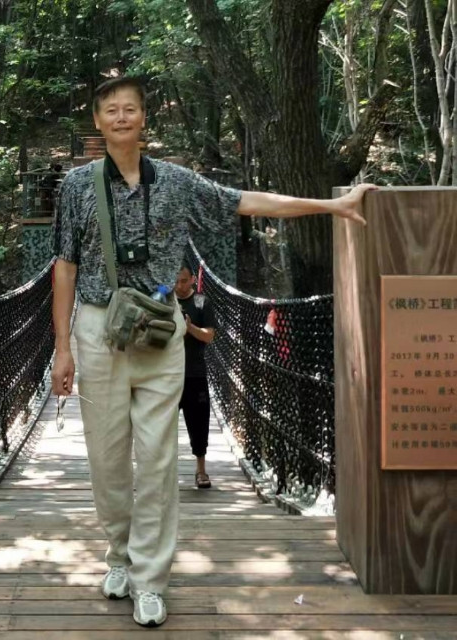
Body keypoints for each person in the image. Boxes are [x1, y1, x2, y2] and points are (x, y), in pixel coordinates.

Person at [51, 75, 372, 628]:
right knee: (107, 462)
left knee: (157, 459)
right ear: (98, 122)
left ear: (144, 118)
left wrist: (332, 205)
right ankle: (119, 555)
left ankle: (151, 578)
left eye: (131, 109)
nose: (122, 117)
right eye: (111, 110)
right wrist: (63, 348)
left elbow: (246, 202)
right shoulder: (78, 186)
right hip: (101, 330)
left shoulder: (176, 182)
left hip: (159, 331)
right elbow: (64, 266)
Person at [175, 264, 215, 489]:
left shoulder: (202, 302)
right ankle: (164, 472)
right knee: (161, 426)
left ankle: (201, 471)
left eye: (183, 281)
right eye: (176, 281)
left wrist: (189, 328)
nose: (179, 286)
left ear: (192, 279)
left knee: (199, 423)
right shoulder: (165, 301)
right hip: (168, 374)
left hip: (195, 374)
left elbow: (209, 335)